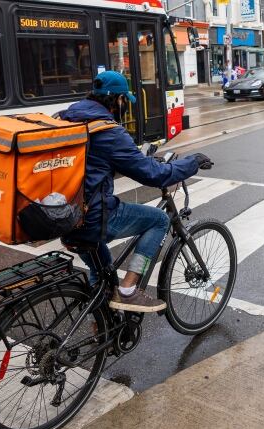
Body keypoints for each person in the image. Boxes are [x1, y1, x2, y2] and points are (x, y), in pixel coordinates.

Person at [58, 71, 212, 313]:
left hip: (63, 216)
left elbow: (93, 162)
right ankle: (129, 291)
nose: (126, 108)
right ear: (117, 100)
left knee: (103, 278)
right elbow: (155, 175)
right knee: (159, 220)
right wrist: (191, 163)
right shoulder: (108, 132)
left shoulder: (67, 117)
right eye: (125, 102)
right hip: (93, 218)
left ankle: (101, 330)